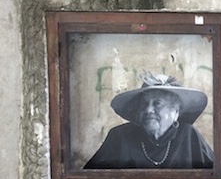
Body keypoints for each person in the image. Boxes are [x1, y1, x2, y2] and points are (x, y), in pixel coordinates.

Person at [84, 72, 214, 169]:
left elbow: (214, 178)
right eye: (144, 104)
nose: (148, 110)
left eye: (157, 104)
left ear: (175, 112)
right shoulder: (119, 136)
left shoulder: (188, 135)